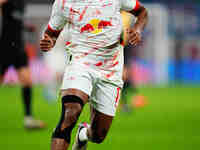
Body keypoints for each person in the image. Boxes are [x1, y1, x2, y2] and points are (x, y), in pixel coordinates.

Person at [40, 0, 148, 149]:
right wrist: (49, 41)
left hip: (111, 69)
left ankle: (83, 134)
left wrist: (137, 30)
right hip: (80, 63)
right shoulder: (63, 3)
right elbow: (51, 33)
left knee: (98, 135)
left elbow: (142, 12)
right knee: (70, 112)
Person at [0, 0, 45, 129]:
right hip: (5, 47)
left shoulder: (21, 3)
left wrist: (26, 27)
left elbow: (15, 22)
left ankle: (29, 119)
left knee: (27, 81)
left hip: (19, 47)